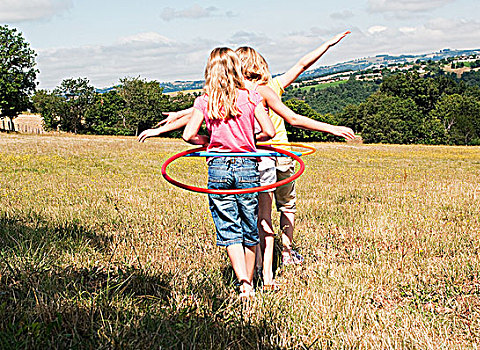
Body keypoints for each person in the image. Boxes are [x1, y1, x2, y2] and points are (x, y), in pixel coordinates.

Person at [138, 31, 354, 288]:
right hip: (264, 157)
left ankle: (251, 278)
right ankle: (271, 269)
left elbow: (201, 111)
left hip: (242, 160)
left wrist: (175, 127)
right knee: (273, 213)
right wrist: (330, 127)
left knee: (248, 219)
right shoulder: (261, 91)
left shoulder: (224, 95)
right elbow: (294, 93)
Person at [181, 47, 275, 299]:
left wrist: (209, 140)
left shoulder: (204, 101)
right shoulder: (251, 98)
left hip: (218, 167)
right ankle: (252, 281)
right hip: (247, 166)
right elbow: (269, 132)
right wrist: (248, 139)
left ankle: (244, 285)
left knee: (228, 225)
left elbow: (188, 135)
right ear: (236, 68)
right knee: (248, 223)